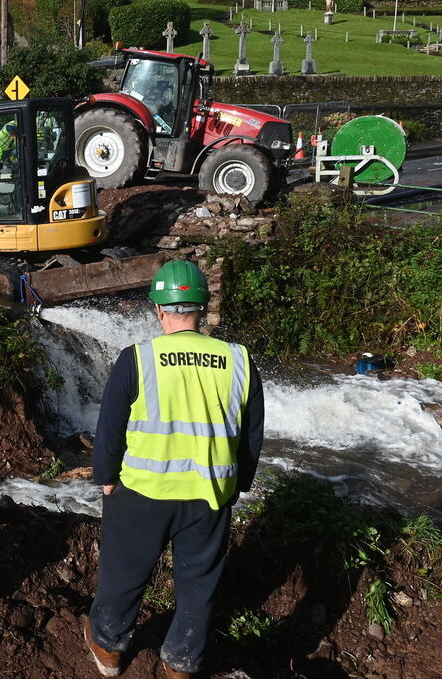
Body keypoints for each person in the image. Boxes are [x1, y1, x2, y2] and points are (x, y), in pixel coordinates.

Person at [84, 259, 264, 679]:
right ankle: (181, 664)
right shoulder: (239, 360)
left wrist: (106, 478)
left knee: (124, 575)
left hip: (143, 492)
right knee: (199, 584)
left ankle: (109, 649)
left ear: (158, 310)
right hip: (208, 494)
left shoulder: (138, 358)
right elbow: (251, 435)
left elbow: (109, 429)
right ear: (203, 308)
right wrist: (237, 486)